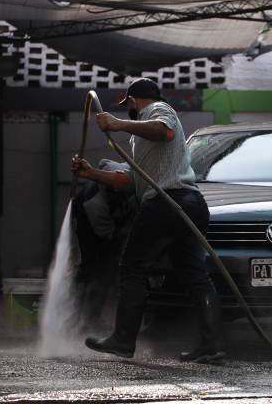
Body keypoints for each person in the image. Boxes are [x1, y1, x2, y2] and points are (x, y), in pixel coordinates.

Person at [71, 77, 224, 363]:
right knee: (195, 276)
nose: (127, 110)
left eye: (127, 105)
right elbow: (130, 181)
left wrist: (116, 123)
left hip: (167, 203)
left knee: (132, 266)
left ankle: (123, 340)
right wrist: (92, 174)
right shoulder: (140, 137)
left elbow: (163, 131)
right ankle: (211, 345)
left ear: (132, 101)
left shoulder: (158, 110)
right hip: (188, 204)